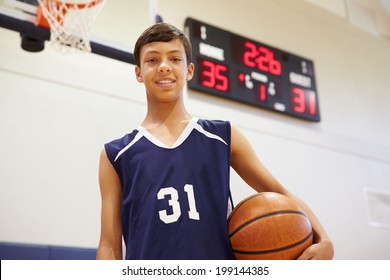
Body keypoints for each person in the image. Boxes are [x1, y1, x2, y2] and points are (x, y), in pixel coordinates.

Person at [96, 23, 334, 260]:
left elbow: (278, 192)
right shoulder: (116, 155)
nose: (164, 67)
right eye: (152, 60)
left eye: (175, 59)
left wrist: (323, 239)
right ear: (138, 73)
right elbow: (109, 245)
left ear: (189, 70)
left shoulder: (222, 136)